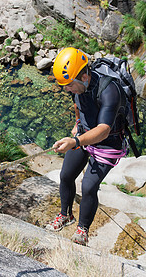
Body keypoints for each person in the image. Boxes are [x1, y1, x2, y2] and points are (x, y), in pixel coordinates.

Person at [46, 47, 127, 246]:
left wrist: (75, 141)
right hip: (83, 134)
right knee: (66, 175)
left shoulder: (110, 90)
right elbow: (77, 102)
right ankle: (65, 215)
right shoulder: (79, 85)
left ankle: (82, 229)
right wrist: (76, 124)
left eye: (70, 85)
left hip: (108, 143)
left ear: (84, 76)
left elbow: (104, 129)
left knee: (89, 186)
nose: (67, 89)